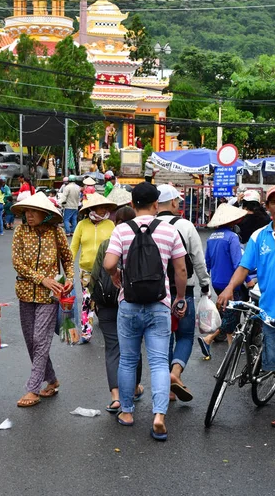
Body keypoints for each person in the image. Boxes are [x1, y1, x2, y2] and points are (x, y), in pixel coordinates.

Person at [104, 182, 187, 441]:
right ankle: (159, 415)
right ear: (155, 204)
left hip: (128, 304)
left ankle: (127, 412)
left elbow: (108, 263)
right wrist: (181, 298)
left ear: (132, 204)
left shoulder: (121, 230)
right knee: (160, 362)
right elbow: (181, 270)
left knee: (128, 360)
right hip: (159, 304)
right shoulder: (169, 230)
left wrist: (116, 275)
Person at [217, 185, 275, 429]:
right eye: (273, 201)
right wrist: (229, 288)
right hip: (269, 310)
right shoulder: (259, 236)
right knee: (274, 364)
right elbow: (244, 267)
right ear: (267, 205)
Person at [11, 192, 74, 407]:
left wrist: (71, 279)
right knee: (31, 341)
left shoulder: (56, 232)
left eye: (33, 211)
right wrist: (42, 279)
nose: (29, 215)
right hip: (25, 292)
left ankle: (32, 389)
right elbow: (17, 263)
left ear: (44, 213)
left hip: (51, 295)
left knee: (40, 339)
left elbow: (68, 258)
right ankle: (52, 380)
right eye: (26, 211)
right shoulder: (20, 231)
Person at [156, 184, 211, 402]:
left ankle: (168, 390)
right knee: (186, 335)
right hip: (183, 290)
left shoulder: (149, 225)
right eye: (177, 201)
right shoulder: (186, 226)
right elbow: (197, 259)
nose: (179, 204)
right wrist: (205, 284)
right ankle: (175, 373)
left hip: (157, 291)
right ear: (171, 203)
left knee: (163, 339)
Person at [90, 205, 144, 413]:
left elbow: (95, 275)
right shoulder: (140, 242)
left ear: (115, 222)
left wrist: (95, 300)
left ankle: (115, 397)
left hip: (106, 304)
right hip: (131, 302)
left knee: (113, 349)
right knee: (132, 348)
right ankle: (134, 388)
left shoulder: (107, 244)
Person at [198, 203, 249, 358]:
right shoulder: (232, 237)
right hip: (230, 283)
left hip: (217, 282)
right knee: (232, 314)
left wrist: (205, 283)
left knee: (228, 311)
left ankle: (232, 345)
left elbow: (207, 262)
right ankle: (208, 338)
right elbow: (238, 263)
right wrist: (247, 279)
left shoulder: (212, 238)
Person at [71, 193, 116, 343]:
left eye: (105, 208)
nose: (104, 210)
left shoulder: (110, 225)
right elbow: (73, 248)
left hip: (106, 270)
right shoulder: (82, 225)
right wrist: (68, 268)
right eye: (101, 208)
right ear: (93, 209)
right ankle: (86, 332)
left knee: (106, 298)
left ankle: (109, 324)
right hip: (86, 270)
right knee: (87, 300)